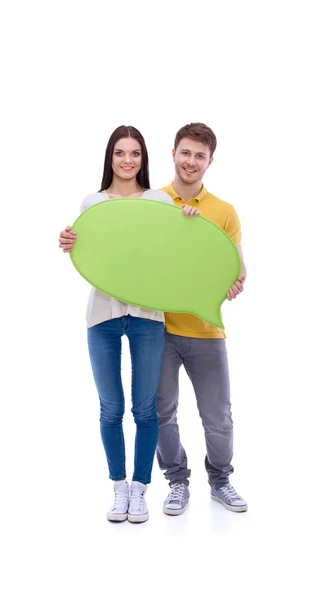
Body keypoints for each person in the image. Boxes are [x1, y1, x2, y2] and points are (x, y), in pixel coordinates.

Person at [58, 125, 199, 524]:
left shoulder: (157, 200)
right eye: (120, 153)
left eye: (134, 153)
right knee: (110, 408)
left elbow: (174, 249)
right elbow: (89, 255)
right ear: (110, 157)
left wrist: (186, 216)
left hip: (147, 315)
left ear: (143, 158)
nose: (127, 160)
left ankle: (140, 490)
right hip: (102, 315)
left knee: (144, 408)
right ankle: (118, 489)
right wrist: (70, 241)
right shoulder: (93, 202)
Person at [158, 122, 248, 516]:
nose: (191, 161)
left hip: (207, 331)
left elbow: (237, 271)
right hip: (156, 330)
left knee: (218, 418)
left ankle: (220, 480)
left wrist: (233, 282)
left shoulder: (224, 212)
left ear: (210, 161)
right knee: (161, 413)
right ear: (173, 153)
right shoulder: (153, 202)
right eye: (185, 153)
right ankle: (177, 481)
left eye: (199, 155)